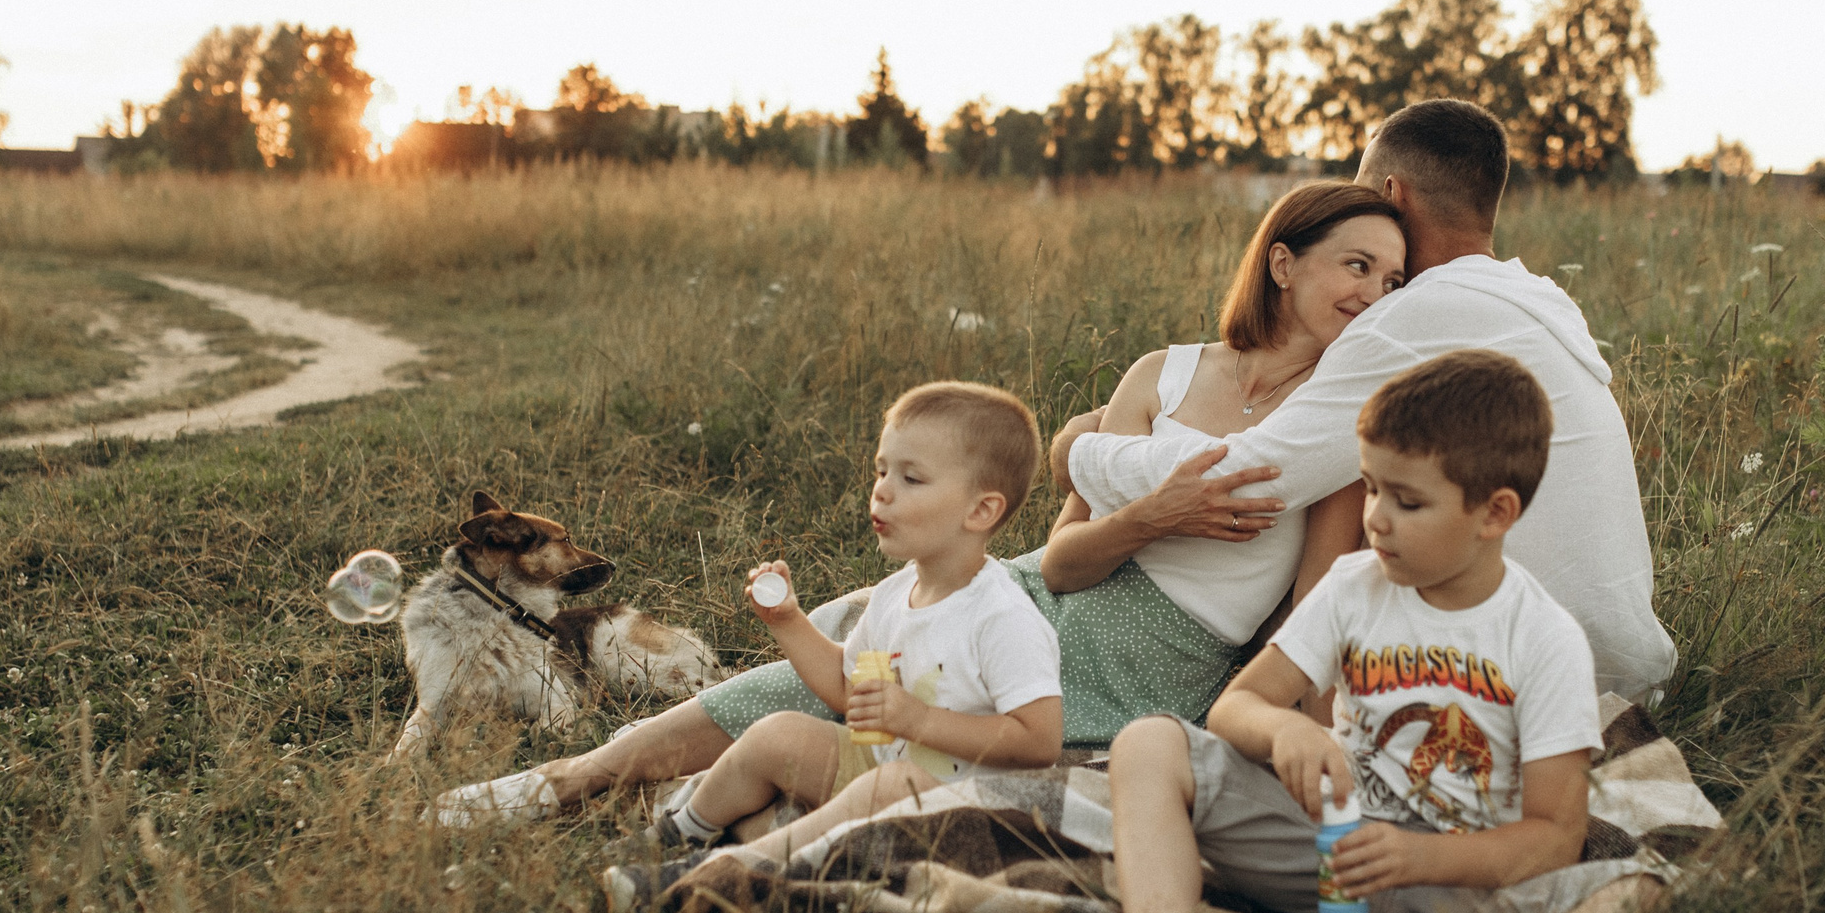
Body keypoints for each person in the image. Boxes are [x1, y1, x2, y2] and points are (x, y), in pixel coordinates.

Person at [428, 184, 1409, 828]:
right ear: (1284, 261)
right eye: (1355, 264)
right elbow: (1064, 557)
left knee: (901, 699)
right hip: (1045, 590)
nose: (1374, 291)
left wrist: (1304, 748)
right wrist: (1157, 512)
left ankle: (686, 795)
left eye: (1393, 278)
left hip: (1156, 653)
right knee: (852, 632)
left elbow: (1306, 614)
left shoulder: (1333, 438)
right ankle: (568, 779)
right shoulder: (1166, 370)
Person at [1111, 351, 1665, 913]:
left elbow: (1554, 836)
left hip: (1454, 890)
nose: (1375, 518)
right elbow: (1237, 706)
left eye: (1407, 501)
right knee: (1148, 741)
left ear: (1494, 512)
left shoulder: (1545, 637)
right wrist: (1285, 732)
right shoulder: (1353, 587)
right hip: (1325, 854)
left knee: (1641, 889)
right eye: (1370, 488)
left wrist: (1417, 858)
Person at [1058, 98, 1676, 704]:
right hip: (1622, 669)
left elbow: (1247, 485)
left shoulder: (1407, 317)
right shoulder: (1539, 301)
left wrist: (1079, 452)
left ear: (1393, 194)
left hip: (1509, 673)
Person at [614, 381, 1065, 886]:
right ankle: (682, 831)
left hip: (966, 803)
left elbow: (1040, 740)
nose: (883, 489)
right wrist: (788, 620)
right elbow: (847, 689)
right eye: (881, 470)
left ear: (981, 510)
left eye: (912, 478)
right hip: (883, 769)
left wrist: (920, 719)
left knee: (893, 783)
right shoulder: (896, 593)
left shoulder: (1002, 617)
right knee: (776, 733)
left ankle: (722, 873)